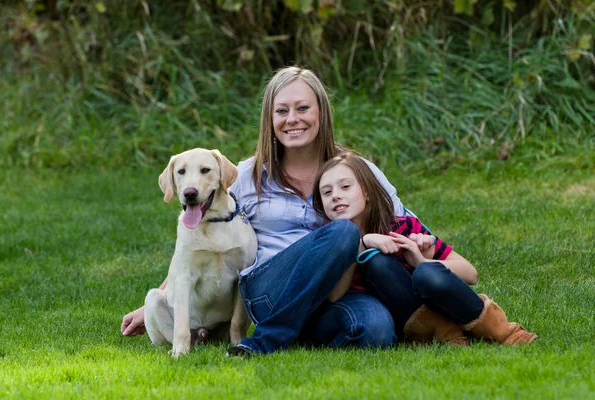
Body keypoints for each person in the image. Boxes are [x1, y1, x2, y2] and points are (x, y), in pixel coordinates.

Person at [121, 66, 434, 355]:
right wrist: (159, 300)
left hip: (337, 292)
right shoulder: (245, 177)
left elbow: (413, 228)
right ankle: (269, 337)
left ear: (321, 113)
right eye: (281, 111)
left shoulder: (357, 171)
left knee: (376, 329)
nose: (292, 119)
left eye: (302, 108)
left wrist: (436, 264)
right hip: (270, 291)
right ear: (269, 120)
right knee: (343, 232)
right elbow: (197, 241)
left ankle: (296, 331)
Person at [312, 152, 538, 345]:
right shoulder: (328, 241)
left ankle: (504, 333)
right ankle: (448, 337)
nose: (336, 196)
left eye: (345, 186)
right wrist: (362, 243)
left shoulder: (402, 227)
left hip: (430, 297)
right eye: (327, 192)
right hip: (401, 318)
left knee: (427, 273)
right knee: (376, 261)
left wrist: (419, 259)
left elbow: (471, 273)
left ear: (367, 191)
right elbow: (335, 296)